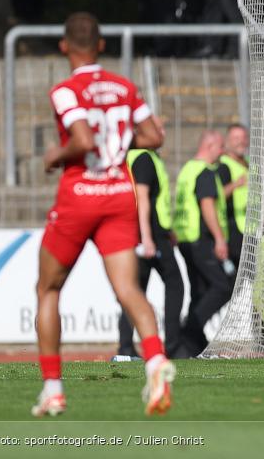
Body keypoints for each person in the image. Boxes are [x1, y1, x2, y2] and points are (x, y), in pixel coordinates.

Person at [34, 12, 175, 417]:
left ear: (64, 46)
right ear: (100, 45)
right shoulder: (124, 86)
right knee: (128, 289)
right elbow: (154, 137)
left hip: (81, 193)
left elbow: (81, 139)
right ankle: (154, 361)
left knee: (47, 289)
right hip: (118, 192)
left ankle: (53, 390)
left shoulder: (65, 90)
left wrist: (55, 154)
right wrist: (119, 139)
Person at [115, 117, 188, 360]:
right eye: (158, 128)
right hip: (149, 236)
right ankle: (173, 346)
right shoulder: (144, 158)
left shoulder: (140, 156)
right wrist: (147, 238)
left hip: (151, 233)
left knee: (134, 289)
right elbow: (143, 198)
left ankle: (125, 347)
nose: (163, 132)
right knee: (175, 284)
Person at [174, 130, 233, 356]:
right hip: (201, 240)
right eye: (220, 147)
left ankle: (191, 345)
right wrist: (219, 238)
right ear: (210, 146)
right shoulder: (205, 172)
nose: (223, 152)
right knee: (222, 287)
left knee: (199, 291)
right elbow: (207, 207)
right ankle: (189, 331)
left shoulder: (188, 169)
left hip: (186, 239)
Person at [217, 124, 249, 271]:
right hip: (234, 228)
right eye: (236, 138)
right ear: (227, 141)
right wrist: (236, 184)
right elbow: (217, 195)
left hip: (251, 227)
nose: (240, 142)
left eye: (243, 138)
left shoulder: (250, 162)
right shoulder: (223, 166)